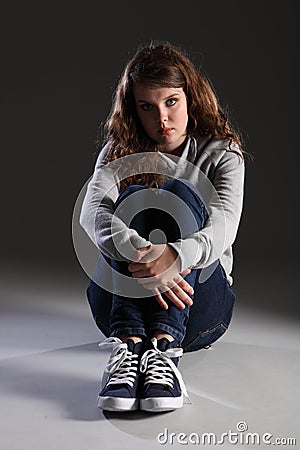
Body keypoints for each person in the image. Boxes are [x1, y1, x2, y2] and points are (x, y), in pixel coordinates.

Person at [79, 40, 246, 413]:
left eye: (171, 102)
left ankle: (164, 347)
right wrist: (144, 253)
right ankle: (131, 347)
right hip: (118, 304)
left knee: (179, 190)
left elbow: (225, 226)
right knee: (135, 191)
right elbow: (90, 213)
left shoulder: (221, 153)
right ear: (134, 111)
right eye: (147, 107)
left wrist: (175, 256)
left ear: (190, 98)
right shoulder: (117, 151)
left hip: (199, 305)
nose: (162, 119)